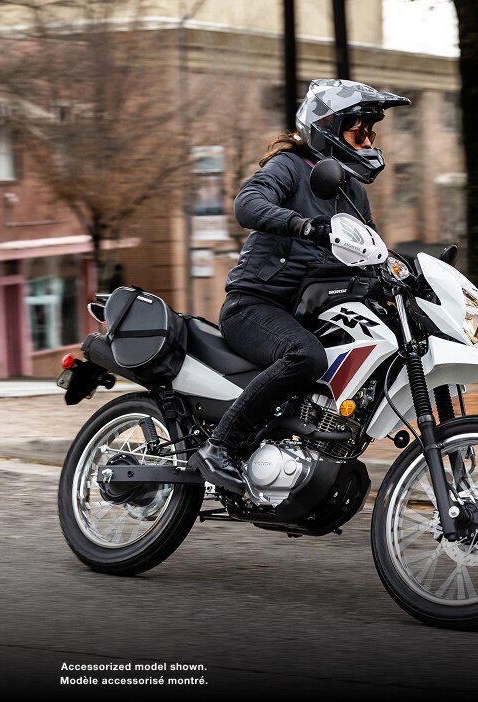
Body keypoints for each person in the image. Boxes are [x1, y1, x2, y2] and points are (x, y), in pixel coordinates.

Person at [189, 79, 410, 495]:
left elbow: (374, 253)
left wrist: (407, 273)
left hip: (307, 313)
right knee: (304, 356)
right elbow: (247, 204)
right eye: (357, 131)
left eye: (370, 134)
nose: (365, 141)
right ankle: (221, 447)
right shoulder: (290, 166)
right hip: (255, 305)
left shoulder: (351, 192)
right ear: (327, 126)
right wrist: (303, 225)